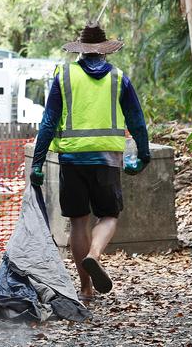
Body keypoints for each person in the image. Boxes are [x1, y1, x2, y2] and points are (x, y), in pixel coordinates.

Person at [29, 22, 150, 302]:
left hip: (71, 160)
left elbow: (48, 122)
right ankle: (95, 255)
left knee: (78, 222)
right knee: (108, 215)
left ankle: (85, 288)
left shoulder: (64, 75)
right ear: (105, 51)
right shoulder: (120, 78)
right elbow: (137, 120)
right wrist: (143, 154)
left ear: (80, 51)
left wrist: (37, 162)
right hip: (106, 160)